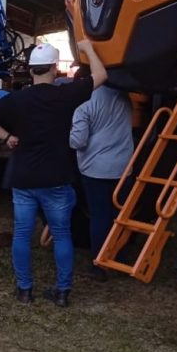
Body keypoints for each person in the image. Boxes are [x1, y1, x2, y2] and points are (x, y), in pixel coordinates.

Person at [0, 39, 107, 307]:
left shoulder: (17, 99)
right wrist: (88, 48)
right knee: (61, 234)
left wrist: (8, 137)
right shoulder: (66, 95)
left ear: (31, 69)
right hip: (56, 177)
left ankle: (24, 290)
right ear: (54, 69)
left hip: (23, 178)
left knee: (22, 234)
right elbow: (101, 75)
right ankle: (62, 292)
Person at [70, 83, 134, 280]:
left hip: (95, 170)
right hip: (124, 168)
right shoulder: (124, 97)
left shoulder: (84, 105)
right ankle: (120, 260)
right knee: (120, 217)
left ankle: (99, 265)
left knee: (99, 217)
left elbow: (77, 142)